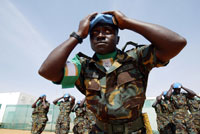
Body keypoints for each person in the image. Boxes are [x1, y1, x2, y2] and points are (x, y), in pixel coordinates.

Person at [39, 10, 186, 133]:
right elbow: (47, 71)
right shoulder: (82, 67)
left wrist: (127, 22)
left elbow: (176, 43)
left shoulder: (136, 58)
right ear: (89, 40)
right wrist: (77, 35)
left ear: (117, 39)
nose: (100, 35)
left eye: (108, 32)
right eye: (94, 33)